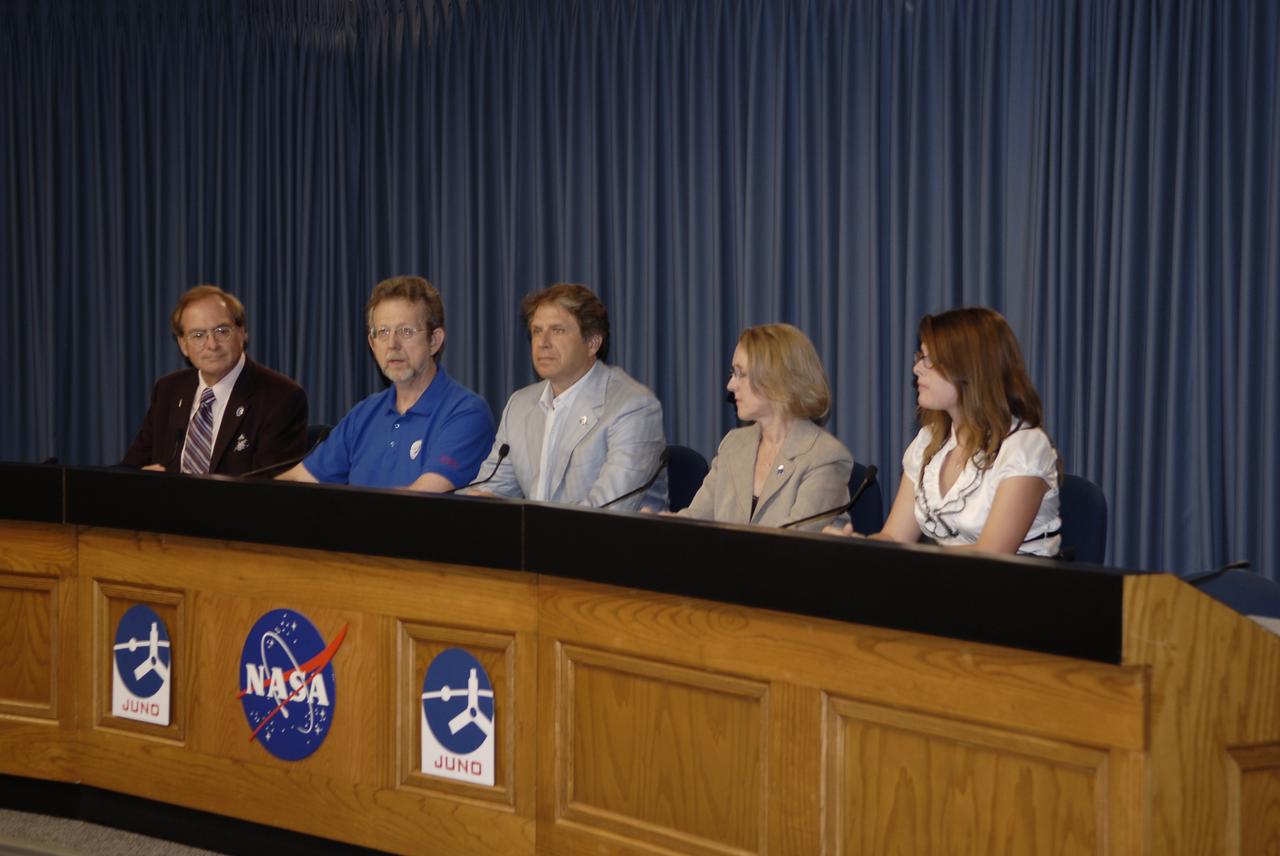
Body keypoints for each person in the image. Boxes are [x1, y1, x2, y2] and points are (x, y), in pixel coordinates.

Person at [827, 306, 1061, 555]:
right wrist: (853, 547)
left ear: (970, 369)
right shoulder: (929, 440)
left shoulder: (1025, 446)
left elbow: (993, 555)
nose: (917, 368)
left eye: (929, 360)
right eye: (920, 357)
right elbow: (895, 536)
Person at [278, 275, 494, 491]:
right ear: (372, 344)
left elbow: (419, 502)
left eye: (406, 331)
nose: (393, 344)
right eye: (383, 332)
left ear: (434, 341)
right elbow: (298, 481)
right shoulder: (363, 415)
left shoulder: (466, 413)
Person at [467, 283, 667, 510]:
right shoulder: (520, 405)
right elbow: (490, 489)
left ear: (592, 343)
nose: (542, 343)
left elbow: (609, 511)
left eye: (558, 330)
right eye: (537, 331)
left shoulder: (632, 407)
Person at [677, 324, 852, 530]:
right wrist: (659, 526)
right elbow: (695, 520)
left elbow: (795, 546)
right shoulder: (733, 444)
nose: (730, 385)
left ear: (776, 380)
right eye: (732, 373)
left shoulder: (824, 457)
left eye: (741, 374)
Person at [122, 285, 308, 476]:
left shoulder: (281, 397)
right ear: (183, 344)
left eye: (221, 331)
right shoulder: (169, 390)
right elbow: (130, 468)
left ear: (242, 332)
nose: (211, 345)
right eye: (198, 335)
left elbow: (270, 490)